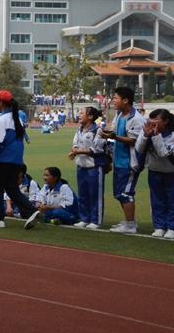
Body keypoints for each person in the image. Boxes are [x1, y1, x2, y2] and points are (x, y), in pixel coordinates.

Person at [0, 90, 39, 230]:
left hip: (2, 161)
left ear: (1, 103)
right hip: (16, 161)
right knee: (12, 189)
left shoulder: (0, 121)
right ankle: (31, 210)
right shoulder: (17, 119)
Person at [101, 86, 145, 234]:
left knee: (126, 193)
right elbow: (114, 131)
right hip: (119, 161)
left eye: (115, 98)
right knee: (119, 193)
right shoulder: (119, 115)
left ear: (125, 100)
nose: (113, 101)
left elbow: (135, 140)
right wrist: (107, 133)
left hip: (130, 163)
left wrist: (114, 137)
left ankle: (131, 225)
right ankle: (129, 221)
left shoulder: (136, 119)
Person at [135, 108, 174, 239]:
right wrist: (145, 135)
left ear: (166, 121)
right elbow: (139, 149)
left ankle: (171, 227)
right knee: (157, 201)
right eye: (151, 120)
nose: (153, 124)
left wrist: (156, 136)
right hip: (154, 171)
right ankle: (159, 226)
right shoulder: (147, 130)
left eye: (157, 121)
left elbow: (164, 153)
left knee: (171, 201)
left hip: (171, 173)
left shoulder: (172, 135)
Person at [69, 106, 107, 229]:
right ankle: (84, 218)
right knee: (83, 193)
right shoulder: (79, 130)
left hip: (94, 166)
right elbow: (75, 145)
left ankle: (96, 220)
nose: (79, 115)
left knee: (95, 194)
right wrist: (75, 150)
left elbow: (96, 149)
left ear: (90, 116)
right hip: (81, 166)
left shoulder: (98, 131)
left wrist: (77, 151)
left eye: (82, 113)